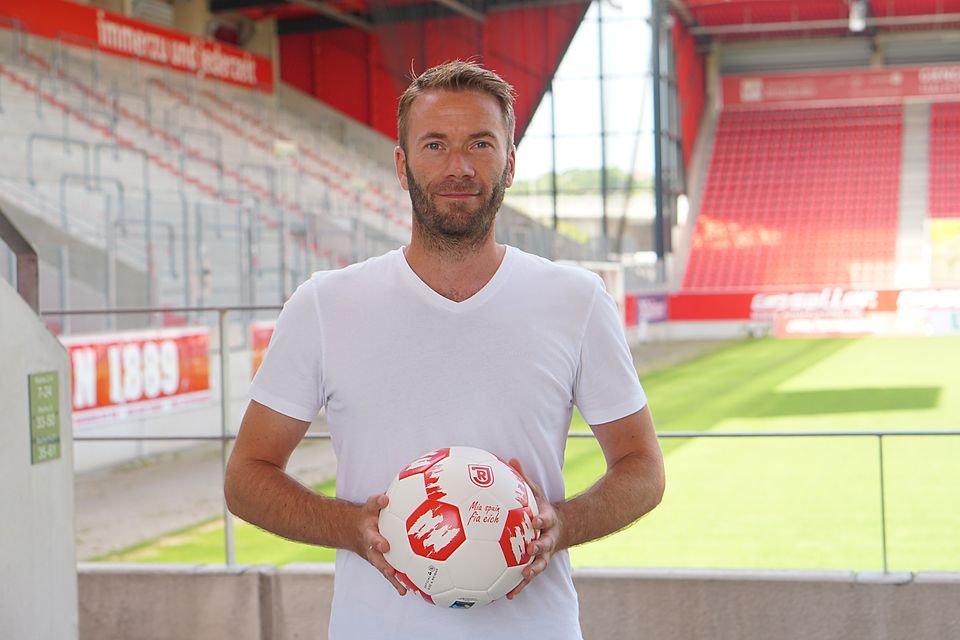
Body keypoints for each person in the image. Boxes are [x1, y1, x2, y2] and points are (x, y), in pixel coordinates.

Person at [224, 60, 665, 639]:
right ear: (402, 164)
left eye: (480, 144)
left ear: (510, 164)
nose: (459, 166)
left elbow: (643, 469)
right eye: (435, 145)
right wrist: (349, 526)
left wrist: (563, 524)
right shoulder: (326, 305)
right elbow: (246, 477)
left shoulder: (575, 300)